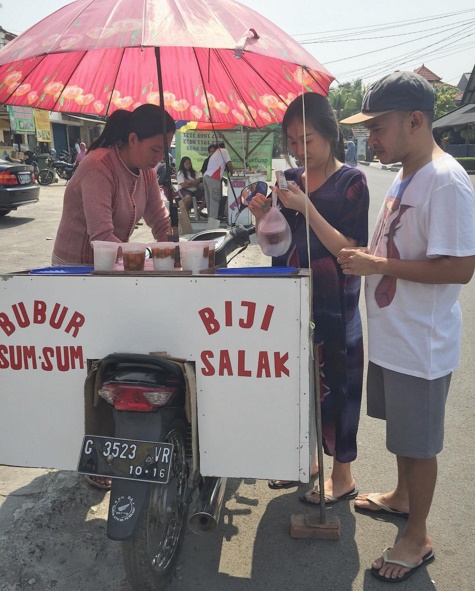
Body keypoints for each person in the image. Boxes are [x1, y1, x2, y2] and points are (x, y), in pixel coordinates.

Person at [338, 71, 475, 583]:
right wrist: (371, 258)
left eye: (378, 127)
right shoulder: (406, 174)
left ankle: (417, 535)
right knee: (402, 434)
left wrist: (380, 267)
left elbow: (460, 267)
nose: (370, 139)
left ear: (415, 121)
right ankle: (401, 499)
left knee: (420, 444)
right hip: (396, 338)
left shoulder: (445, 179)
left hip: (422, 343)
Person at [248, 92, 370, 505]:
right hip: (290, 298)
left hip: (334, 304)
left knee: (338, 383)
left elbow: (348, 250)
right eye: (293, 141)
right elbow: (274, 240)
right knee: (297, 382)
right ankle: (307, 461)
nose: (300, 149)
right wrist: (262, 213)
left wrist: (306, 206)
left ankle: (343, 475)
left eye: (309, 139)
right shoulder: (291, 180)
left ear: (331, 136)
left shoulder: (352, 181)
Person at [52, 104, 174, 266]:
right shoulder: (98, 168)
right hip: (75, 268)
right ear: (132, 139)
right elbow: (102, 238)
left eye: (164, 152)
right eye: (155, 149)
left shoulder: (147, 172)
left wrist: (174, 250)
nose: (159, 158)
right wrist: (143, 259)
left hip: (113, 265)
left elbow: (160, 222)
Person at [203, 141, 233, 226]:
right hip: (213, 178)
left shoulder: (215, 154)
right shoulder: (223, 151)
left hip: (206, 177)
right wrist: (233, 173)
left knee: (209, 201)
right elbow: (229, 164)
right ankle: (213, 225)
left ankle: (210, 222)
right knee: (215, 200)